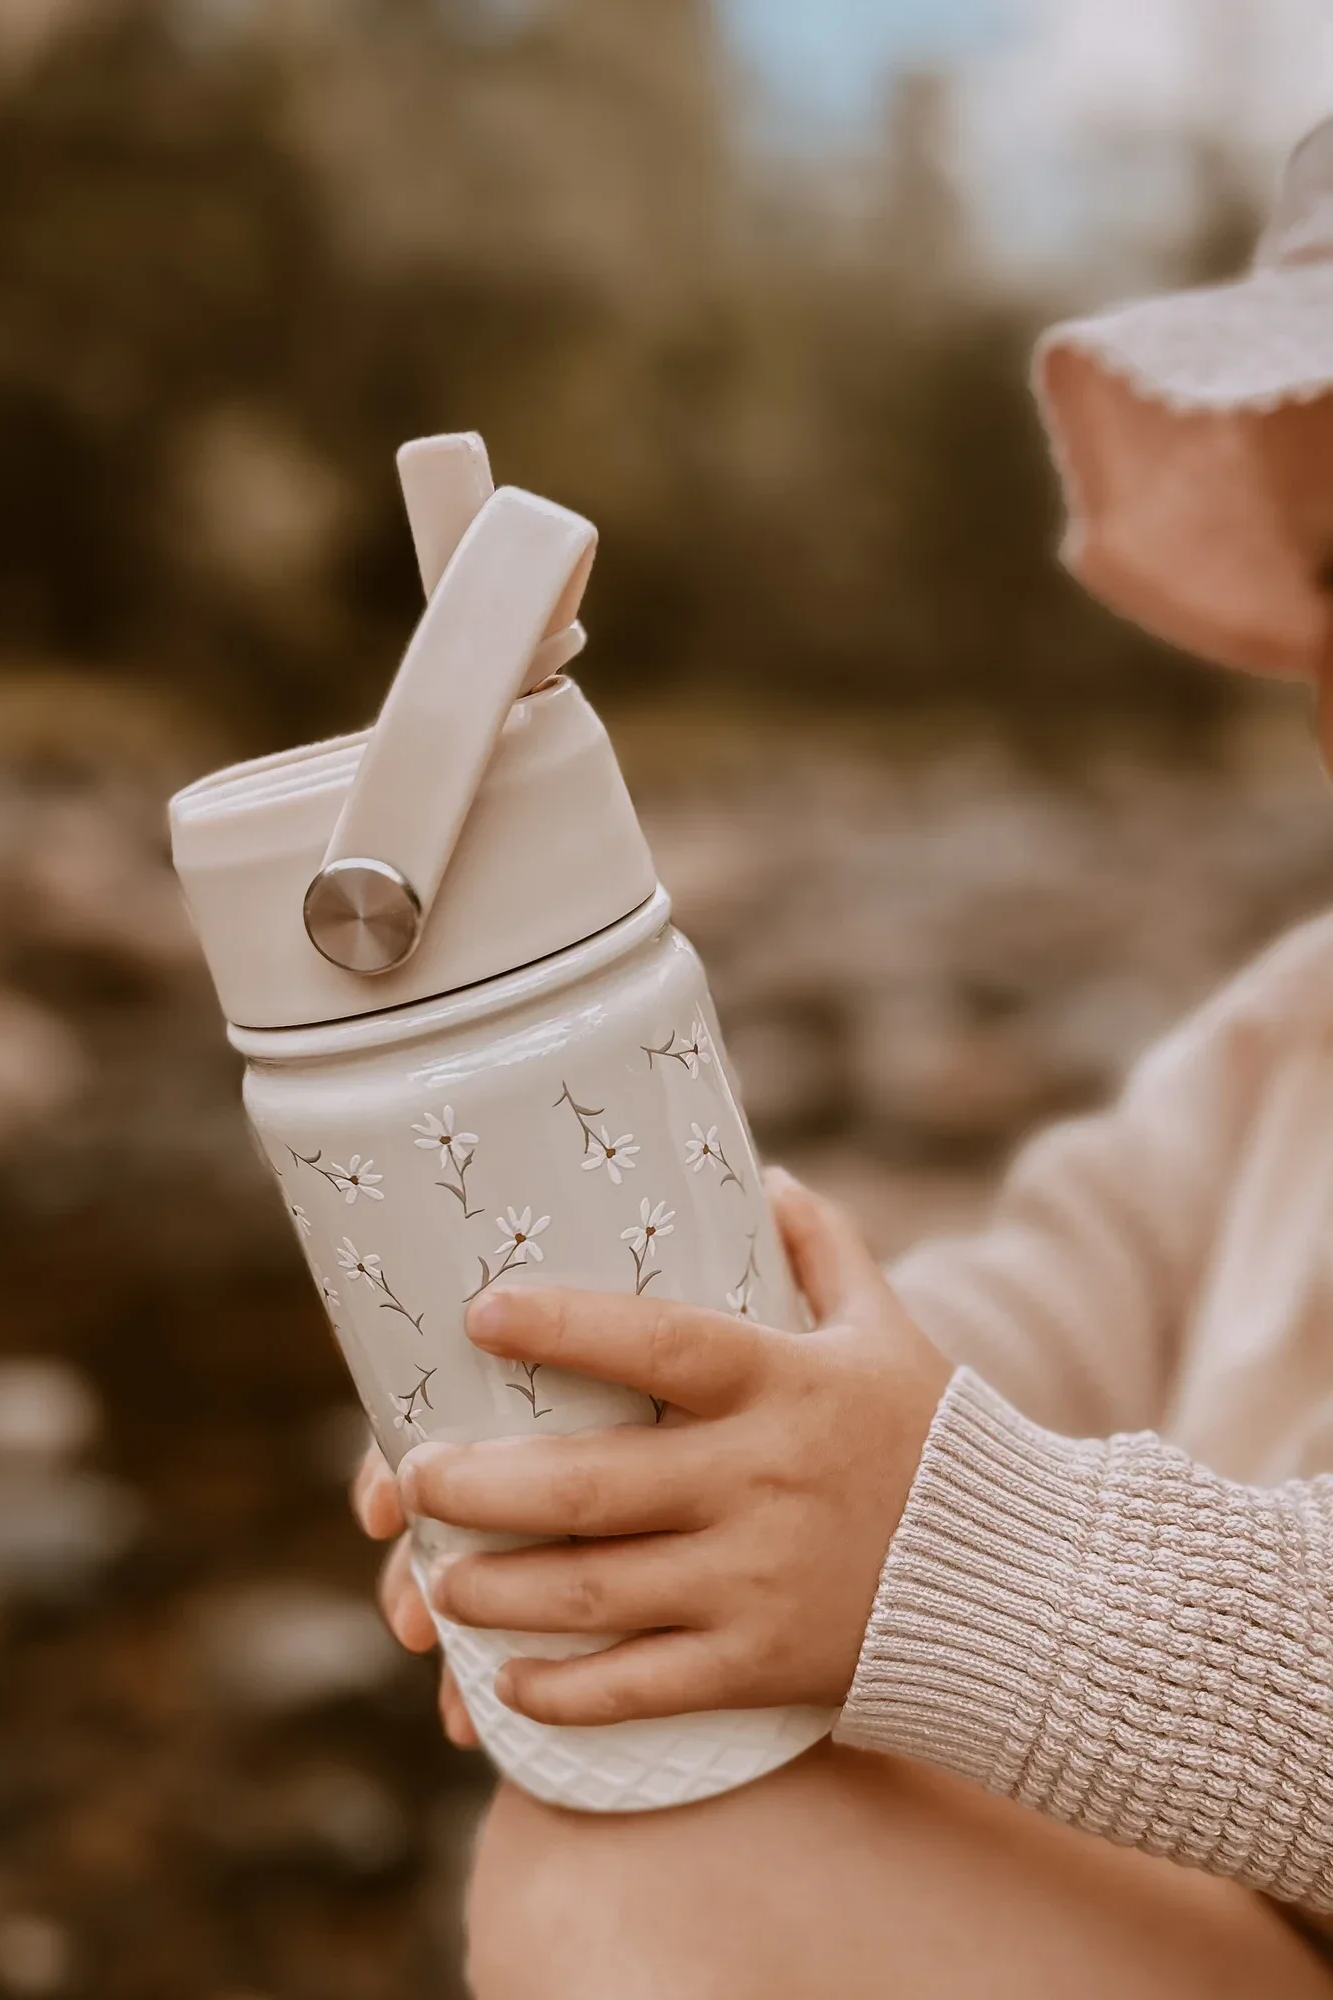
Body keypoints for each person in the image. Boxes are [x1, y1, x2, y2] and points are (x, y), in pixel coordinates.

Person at [353, 118, 1333, 1997]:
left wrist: (968, 1555)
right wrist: (716, 1437)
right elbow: (1061, 1292)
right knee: (648, 1848)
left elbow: (992, 1534)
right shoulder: (1301, 1031)